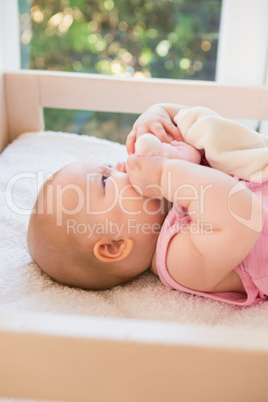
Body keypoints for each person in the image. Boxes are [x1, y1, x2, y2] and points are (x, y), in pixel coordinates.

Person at [27, 104, 268, 306]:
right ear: (114, 247)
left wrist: (157, 115)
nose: (121, 165)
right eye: (105, 180)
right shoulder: (178, 262)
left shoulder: (172, 197)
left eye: (109, 164)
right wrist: (165, 175)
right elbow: (240, 212)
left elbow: (200, 127)